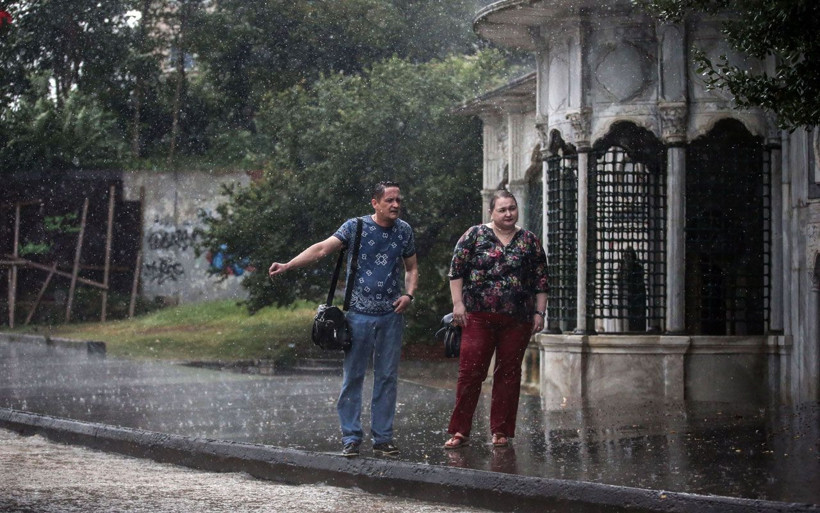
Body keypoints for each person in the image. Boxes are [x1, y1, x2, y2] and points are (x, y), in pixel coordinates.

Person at [268, 182, 418, 457]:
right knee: (354, 377)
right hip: (358, 315)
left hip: (391, 315)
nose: (395, 205)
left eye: (398, 199)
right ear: (375, 202)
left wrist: (408, 294)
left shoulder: (404, 231)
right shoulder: (356, 227)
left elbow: (412, 267)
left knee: (387, 377)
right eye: (389, 200)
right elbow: (322, 249)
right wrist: (288, 264)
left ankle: (383, 439)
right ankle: (351, 437)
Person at [443, 189, 548, 450]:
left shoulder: (529, 241)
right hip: (478, 316)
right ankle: (459, 431)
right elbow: (456, 270)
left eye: (512, 208)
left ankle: (501, 431)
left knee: (509, 374)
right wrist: (458, 304)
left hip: (518, 318)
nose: (508, 213)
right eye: (502, 209)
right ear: (491, 212)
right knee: (470, 373)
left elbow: (541, 279)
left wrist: (539, 312)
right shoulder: (475, 235)